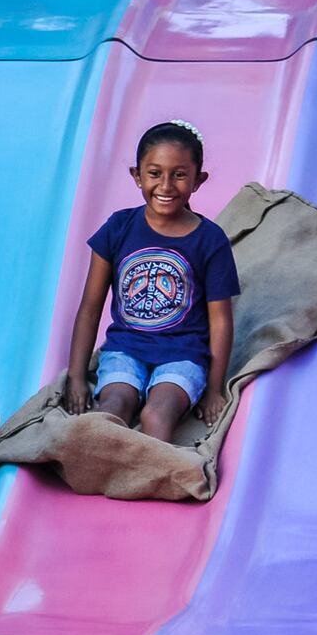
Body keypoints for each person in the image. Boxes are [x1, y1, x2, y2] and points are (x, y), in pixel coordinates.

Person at [61, 120, 239, 442]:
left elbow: (221, 320)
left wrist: (214, 388)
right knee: (112, 409)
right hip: (125, 350)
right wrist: (75, 376)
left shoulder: (210, 240)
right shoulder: (118, 228)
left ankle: (150, 480)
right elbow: (90, 308)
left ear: (199, 180)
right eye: (155, 173)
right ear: (137, 176)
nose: (166, 185)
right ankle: (103, 469)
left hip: (184, 355)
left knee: (156, 415)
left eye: (180, 174)